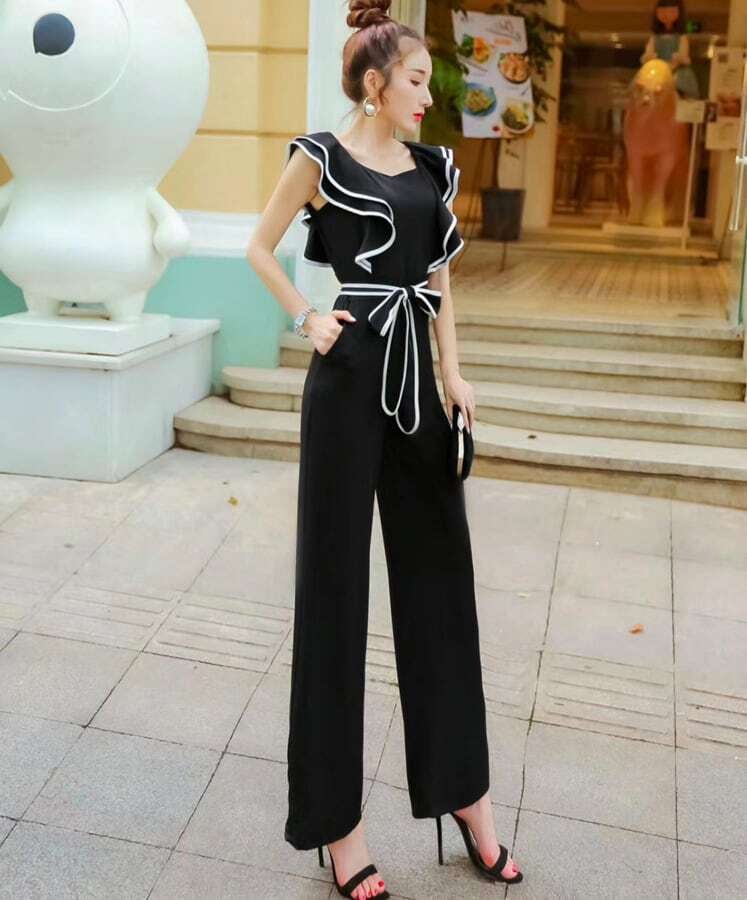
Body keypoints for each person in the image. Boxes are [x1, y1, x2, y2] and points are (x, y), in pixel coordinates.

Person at [246, 1, 524, 897]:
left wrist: (455, 373)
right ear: (375, 83)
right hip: (348, 376)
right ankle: (339, 829)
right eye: (415, 81)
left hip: (419, 396)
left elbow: (439, 283)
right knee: (332, 593)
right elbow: (258, 247)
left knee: (441, 588)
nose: (427, 97)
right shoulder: (319, 157)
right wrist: (306, 317)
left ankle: (466, 799)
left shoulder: (432, 168)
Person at [641, 0, 700, 99]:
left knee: (676, 91)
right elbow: (649, 52)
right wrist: (650, 57)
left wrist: (676, 62)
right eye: (662, 12)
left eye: (671, 11)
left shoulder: (681, 37)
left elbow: (683, 54)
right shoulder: (655, 37)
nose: (666, 15)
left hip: (678, 71)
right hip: (658, 70)